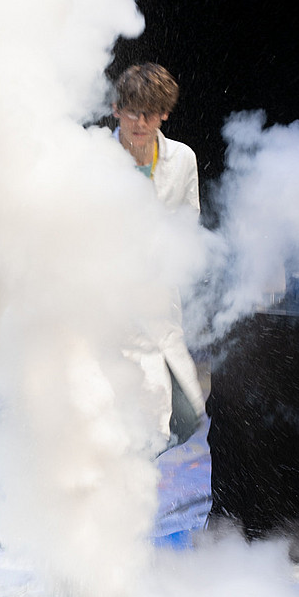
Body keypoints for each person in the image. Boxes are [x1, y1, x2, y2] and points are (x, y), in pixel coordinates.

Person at [111, 62, 206, 454]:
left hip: (157, 301)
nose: (140, 121)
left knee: (184, 418)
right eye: (131, 111)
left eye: (150, 113)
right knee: (120, 419)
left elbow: (189, 222)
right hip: (106, 306)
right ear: (116, 109)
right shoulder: (92, 157)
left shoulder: (182, 159)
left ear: (164, 113)